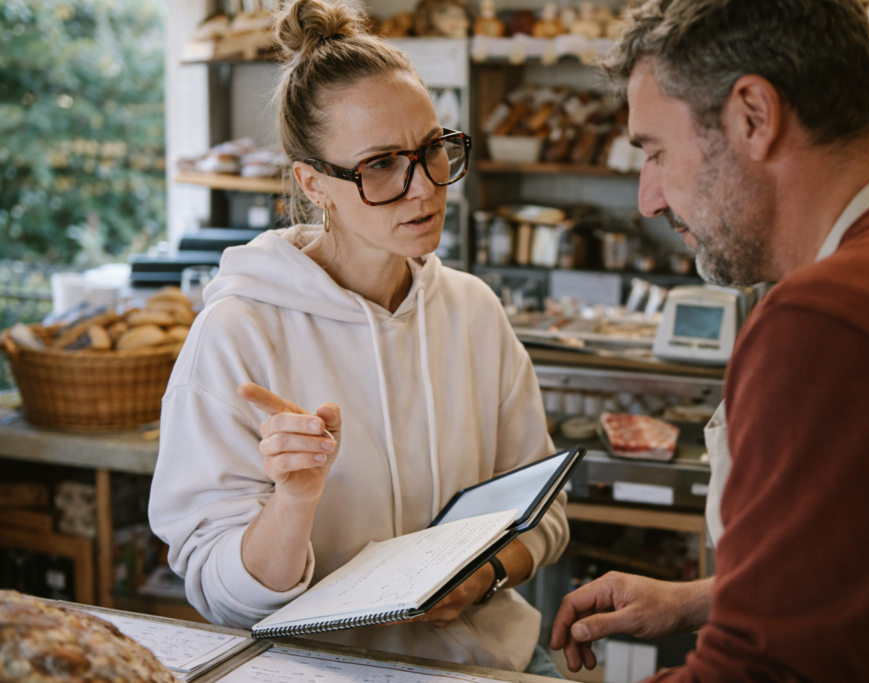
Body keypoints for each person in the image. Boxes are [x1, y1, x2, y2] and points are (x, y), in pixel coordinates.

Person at [550, 0, 869, 680]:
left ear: (753, 116)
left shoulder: (834, 318)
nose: (648, 199)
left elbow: (768, 673)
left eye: (656, 151)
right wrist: (713, 598)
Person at [148, 0, 567, 675]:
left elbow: (545, 515)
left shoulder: (474, 312)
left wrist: (484, 574)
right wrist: (295, 500)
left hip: (491, 664)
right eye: (380, 165)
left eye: (433, 149)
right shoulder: (238, 333)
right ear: (315, 184)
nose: (424, 187)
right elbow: (221, 597)